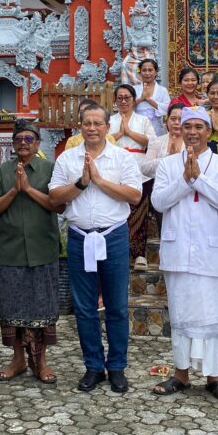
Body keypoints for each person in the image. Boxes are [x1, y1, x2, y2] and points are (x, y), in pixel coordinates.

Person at [49, 103, 141, 394]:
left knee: (116, 306)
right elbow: (55, 197)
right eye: (86, 123)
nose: (92, 128)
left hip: (112, 237)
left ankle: (116, 367)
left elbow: (135, 195)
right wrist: (81, 182)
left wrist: (99, 180)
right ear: (81, 127)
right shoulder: (67, 158)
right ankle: (92, 366)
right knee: (85, 307)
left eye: (97, 123)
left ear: (107, 127)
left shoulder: (122, 158)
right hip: (79, 237)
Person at [150, 107, 218, 402]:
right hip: (178, 250)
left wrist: (198, 179)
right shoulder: (166, 165)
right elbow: (159, 202)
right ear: (179, 129)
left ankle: (214, 377)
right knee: (180, 313)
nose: (192, 132)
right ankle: (180, 374)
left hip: (210, 252)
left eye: (199, 126)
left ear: (209, 130)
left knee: (212, 315)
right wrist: (184, 180)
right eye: (187, 126)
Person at [0, 121, 60, 384]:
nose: (24, 143)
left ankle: (41, 362)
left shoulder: (50, 170)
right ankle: (17, 359)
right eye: (19, 139)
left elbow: (57, 205)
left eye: (29, 138)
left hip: (43, 248)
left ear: (37, 143)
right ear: (13, 144)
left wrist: (28, 189)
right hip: (13, 250)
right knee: (11, 307)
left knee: (43, 307)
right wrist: (15, 190)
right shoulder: (2, 172)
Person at [109, 84, 157, 269]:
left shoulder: (143, 120)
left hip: (139, 167)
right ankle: (119, 253)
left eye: (127, 97)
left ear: (133, 99)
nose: (123, 101)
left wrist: (129, 133)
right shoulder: (109, 120)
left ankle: (139, 254)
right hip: (114, 169)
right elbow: (103, 139)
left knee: (139, 212)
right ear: (115, 101)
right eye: (119, 98)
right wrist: (119, 133)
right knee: (116, 212)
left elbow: (151, 141)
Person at [133, 58, 171, 136]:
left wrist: (149, 99)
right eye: (144, 70)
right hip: (138, 126)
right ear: (140, 72)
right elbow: (127, 106)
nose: (147, 73)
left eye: (150, 70)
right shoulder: (134, 89)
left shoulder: (162, 90)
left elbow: (168, 108)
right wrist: (141, 99)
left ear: (156, 72)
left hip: (156, 127)